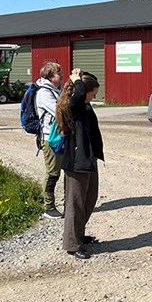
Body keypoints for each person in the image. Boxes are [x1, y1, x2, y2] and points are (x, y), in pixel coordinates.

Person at [56, 69, 104, 260]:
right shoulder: (73, 105)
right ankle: (72, 244)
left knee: (89, 198)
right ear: (84, 91)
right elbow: (77, 96)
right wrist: (77, 80)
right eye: (93, 93)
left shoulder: (84, 106)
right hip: (77, 161)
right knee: (75, 203)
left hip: (88, 158)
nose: (95, 97)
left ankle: (79, 235)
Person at [35, 62, 64, 219]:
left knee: (58, 171)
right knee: (52, 173)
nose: (61, 75)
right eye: (58, 73)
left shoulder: (55, 90)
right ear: (50, 76)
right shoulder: (44, 93)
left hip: (58, 136)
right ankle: (48, 206)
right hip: (49, 138)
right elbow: (60, 111)